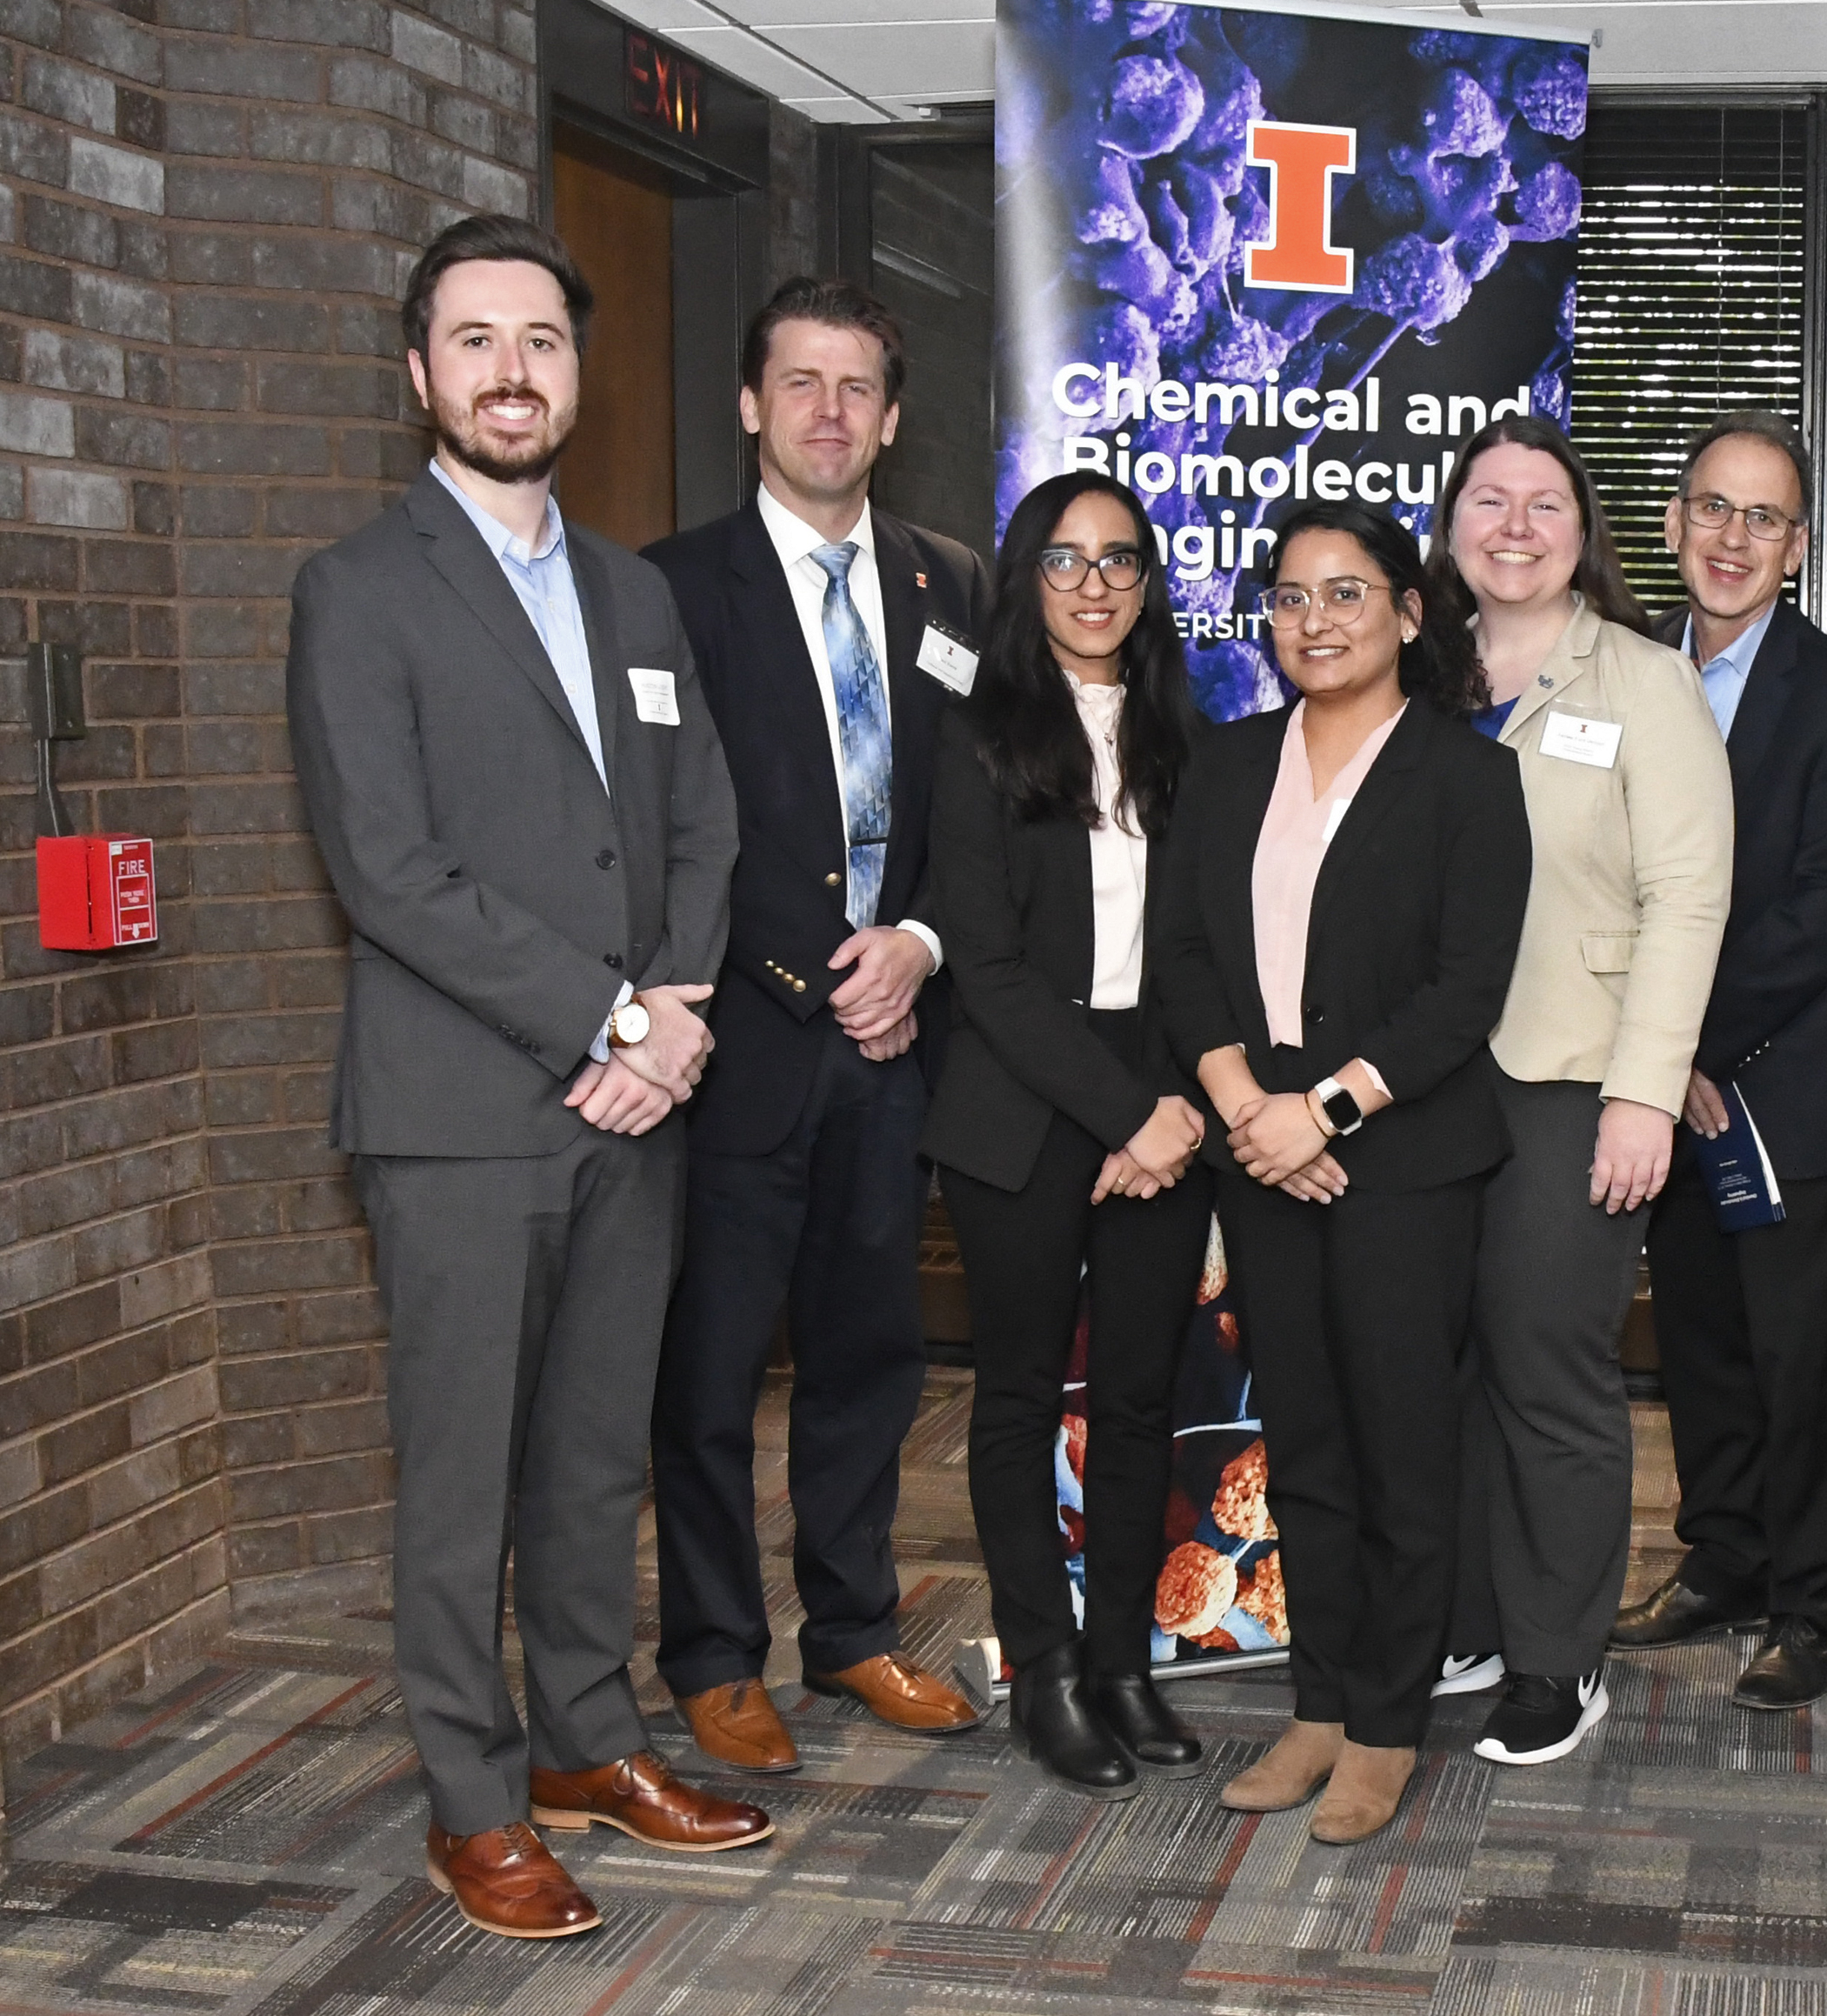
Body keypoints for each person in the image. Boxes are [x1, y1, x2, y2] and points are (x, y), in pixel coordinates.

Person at [286, 215, 763, 1941]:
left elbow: (704, 818)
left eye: (542, 340)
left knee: (590, 1463)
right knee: (462, 1479)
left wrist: (683, 1009)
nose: (511, 369)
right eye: (475, 339)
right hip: (464, 1118)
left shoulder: (635, 591)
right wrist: (612, 1022)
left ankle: (584, 1741)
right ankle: (472, 1801)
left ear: (578, 365)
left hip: (636, 1110)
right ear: (419, 373)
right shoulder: (356, 588)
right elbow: (387, 872)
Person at [643, 277, 986, 1769]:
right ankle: (716, 1655)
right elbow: (657, 826)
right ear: (749, 403)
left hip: (896, 1049)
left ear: (892, 419)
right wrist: (805, 972)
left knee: (871, 1362)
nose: (828, 412)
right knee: (708, 1372)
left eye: (856, 388)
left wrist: (915, 943)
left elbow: (987, 817)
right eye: (799, 383)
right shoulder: (663, 588)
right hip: (732, 1051)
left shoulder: (954, 590)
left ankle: (849, 1632)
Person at [1151, 498, 1530, 1845]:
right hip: (1260, 1140)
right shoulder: (1229, 760)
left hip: (1401, 1157)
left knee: (1400, 1448)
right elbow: (1182, 950)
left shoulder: (1467, 777)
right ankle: (1316, 1699)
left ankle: (1383, 1723)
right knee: (1302, 1438)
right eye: (1292, 596)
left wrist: (1326, 1111)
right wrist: (1249, 1105)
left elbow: (1462, 990)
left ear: (1409, 612)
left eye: (1347, 593)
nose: (1314, 620)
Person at [1432, 416, 1735, 1768]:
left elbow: (1688, 898)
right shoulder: (1412, 668)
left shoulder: (1647, 682)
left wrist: (1643, 1093)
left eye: (1541, 502)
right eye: (1486, 500)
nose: (1512, 524)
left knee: (1548, 1364)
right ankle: (1475, 1617)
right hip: (1418, 1084)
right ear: (1449, 525)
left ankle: (1558, 1657)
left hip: (1573, 1075)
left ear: (1583, 527)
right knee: (1443, 1364)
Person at [924, 471, 1212, 1797]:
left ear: (1149, 583)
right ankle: (1039, 1669)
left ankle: (1119, 1661)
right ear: (1022, 578)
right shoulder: (972, 736)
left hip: (1160, 1096)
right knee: (1023, 1394)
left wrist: (1176, 1111)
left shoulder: (1187, 738)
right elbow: (982, 967)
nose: (1093, 584)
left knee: (1144, 1394)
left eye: (1119, 560)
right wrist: (1123, 1113)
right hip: (1025, 1105)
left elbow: (1209, 948)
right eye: (1063, 559)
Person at [1609, 412, 1827, 1712]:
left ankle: (1803, 1604)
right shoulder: (1614, 678)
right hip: (1656, 1089)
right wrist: (1652, 1057)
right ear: (1673, 524)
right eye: (1712, 509)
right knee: (1701, 1345)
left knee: (1793, 1358)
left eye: (1763, 518)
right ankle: (1718, 1559)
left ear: (1796, 548)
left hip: (1779, 1079)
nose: (1732, 538)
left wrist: (1686, 1041)